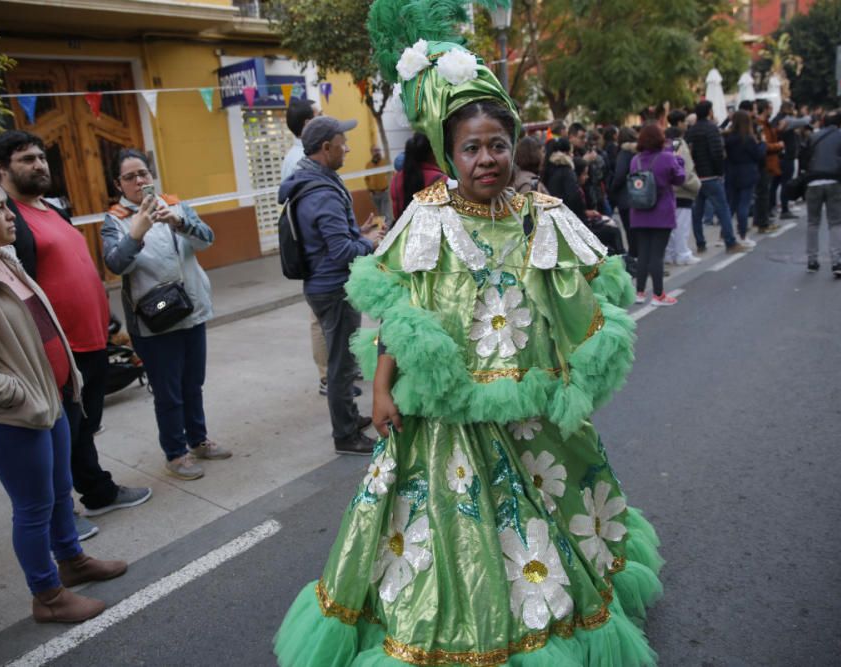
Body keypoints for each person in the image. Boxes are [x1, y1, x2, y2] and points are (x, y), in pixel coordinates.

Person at [274, 5, 663, 663]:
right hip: (445, 416)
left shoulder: (541, 214)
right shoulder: (425, 219)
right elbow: (399, 312)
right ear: (450, 155)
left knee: (545, 519)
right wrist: (382, 388)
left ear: (514, 147)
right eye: (472, 148)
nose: (488, 158)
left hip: (530, 411)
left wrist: (572, 365)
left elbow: (579, 294)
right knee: (450, 533)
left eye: (498, 144)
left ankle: (546, 614)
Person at [0, 172, 127, 623]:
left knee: (57, 493)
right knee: (32, 507)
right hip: (8, 417)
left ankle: (71, 562)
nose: (11, 215)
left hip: (46, 401)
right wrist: (18, 395)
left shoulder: (2, 257)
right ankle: (47, 596)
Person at [0, 131, 151, 537]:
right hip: (56, 350)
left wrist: (104, 316)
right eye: (27, 159)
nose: (40, 165)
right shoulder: (8, 219)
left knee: (82, 428)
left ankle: (97, 492)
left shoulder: (51, 209)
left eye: (42, 158)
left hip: (91, 339)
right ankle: (60, 516)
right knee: (59, 435)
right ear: (2, 169)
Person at [101, 149, 228, 480]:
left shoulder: (176, 205)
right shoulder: (114, 220)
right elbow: (114, 264)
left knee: (192, 384)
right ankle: (175, 453)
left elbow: (208, 240)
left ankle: (198, 440)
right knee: (168, 392)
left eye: (143, 173)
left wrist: (180, 222)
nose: (139, 181)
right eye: (130, 177)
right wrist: (137, 232)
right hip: (154, 321)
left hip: (190, 309)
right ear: (119, 184)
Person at [277, 117, 383, 456]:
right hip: (333, 287)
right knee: (341, 367)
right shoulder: (321, 192)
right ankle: (345, 435)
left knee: (343, 360)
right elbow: (340, 252)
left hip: (325, 283)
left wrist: (357, 233)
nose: (348, 148)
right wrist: (370, 243)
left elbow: (332, 240)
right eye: (343, 142)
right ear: (326, 148)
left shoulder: (314, 182)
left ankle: (349, 418)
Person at [629, 124, 686, 306]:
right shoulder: (667, 158)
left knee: (644, 253)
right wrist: (680, 161)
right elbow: (680, 179)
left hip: (639, 211)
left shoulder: (635, 160)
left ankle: (639, 292)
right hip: (662, 212)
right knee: (657, 255)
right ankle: (658, 295)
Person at [801, 110, 841, 277]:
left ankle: (812, 261)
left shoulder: (813, 137)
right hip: (835, 181)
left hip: (813, 181)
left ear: (823, 122)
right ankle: (837, 262)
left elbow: (803, 160)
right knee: (835, 223)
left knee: (813, 222)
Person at [685, 100, 749, 254]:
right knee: (723, 209)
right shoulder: (711, 129)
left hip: (696, 176)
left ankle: (700, 243)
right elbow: (716, 153)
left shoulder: (691, 131)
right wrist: (719, 172)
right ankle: (730, 242)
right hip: (711, 175)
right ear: (709, 112)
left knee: (697, 212)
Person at [664, 109, 702, 265]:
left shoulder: (666, 142)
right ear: (679, 123)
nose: (686, 124)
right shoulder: (679, 143)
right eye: (684, 121)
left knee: (672, 228)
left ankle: (671, 254)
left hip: (670, 190)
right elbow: (684, 170)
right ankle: (683, 254)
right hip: (682, 190)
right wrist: (696, 184)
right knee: (682, 225)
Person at [723, 110, 765, 247]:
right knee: (744, 204)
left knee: (731, 205)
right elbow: (758, 155)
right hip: (747, 172)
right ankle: (743, 235)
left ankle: (726, 234)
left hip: (732, 173)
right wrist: (762, 144)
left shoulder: (728, 139)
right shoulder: (748, 139)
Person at [389, 132, 447, 220]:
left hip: (404, 232)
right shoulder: (441, 180)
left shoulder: (396, 179)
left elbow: (397, 215)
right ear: (432, 153)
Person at [609, 126, 640, 267]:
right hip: (639, 194)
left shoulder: (624, 153)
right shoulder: (639, 152)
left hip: (626, 197)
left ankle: (634, 258)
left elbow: (620, 175)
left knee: (630, 230)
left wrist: (612, 190)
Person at [753, 99, 783, 234]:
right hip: (765, 163)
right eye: (770, 108)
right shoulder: (760, 125)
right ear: (764, 109)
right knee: (763, 194)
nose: (771, 111)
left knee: (763, 193)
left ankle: (760, 220)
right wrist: (779, 146)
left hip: (768, 163)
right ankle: (762, 222)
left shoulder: (766, 124)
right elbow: (763, 145)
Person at [282, 98, 318, 182]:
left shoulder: (301, 154)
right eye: (320, 114)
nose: (326, 117)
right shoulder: (302, 161)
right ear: (308, 124)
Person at [364, 146, 393, 227]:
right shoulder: (368, 165)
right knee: (379, 214)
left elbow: (392, 175)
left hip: (385, 192)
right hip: (375, 194)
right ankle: (381, 234)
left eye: (378, 150)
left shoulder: (386, 162)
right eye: (375, 150)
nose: (377, 152)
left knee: (386, 213)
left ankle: (388, 233)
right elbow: (366, 179)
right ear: (371, 152)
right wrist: (370, 190)